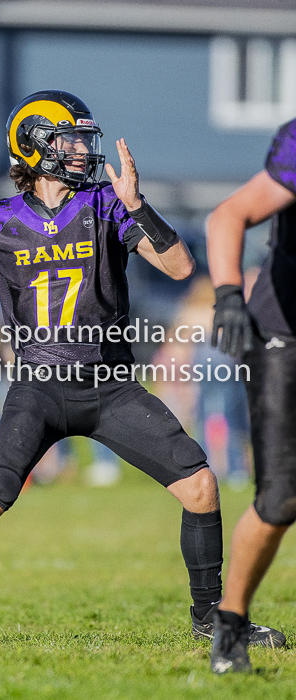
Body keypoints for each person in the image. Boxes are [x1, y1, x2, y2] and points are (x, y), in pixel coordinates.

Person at [0, 90, 282, 645]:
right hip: (38, 389)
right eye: (68, 138)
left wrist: (139, 206)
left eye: (80, 139)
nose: (80, 149)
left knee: (199, 487)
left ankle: (211, 620)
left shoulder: (108, 205)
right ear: (35, 146)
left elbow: (180, 264)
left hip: (110, 387)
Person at [207, 118, 296, 673]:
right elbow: (228, 215)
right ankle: (230, 624)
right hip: (283, 332)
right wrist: (227, 297)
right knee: (283, 495)